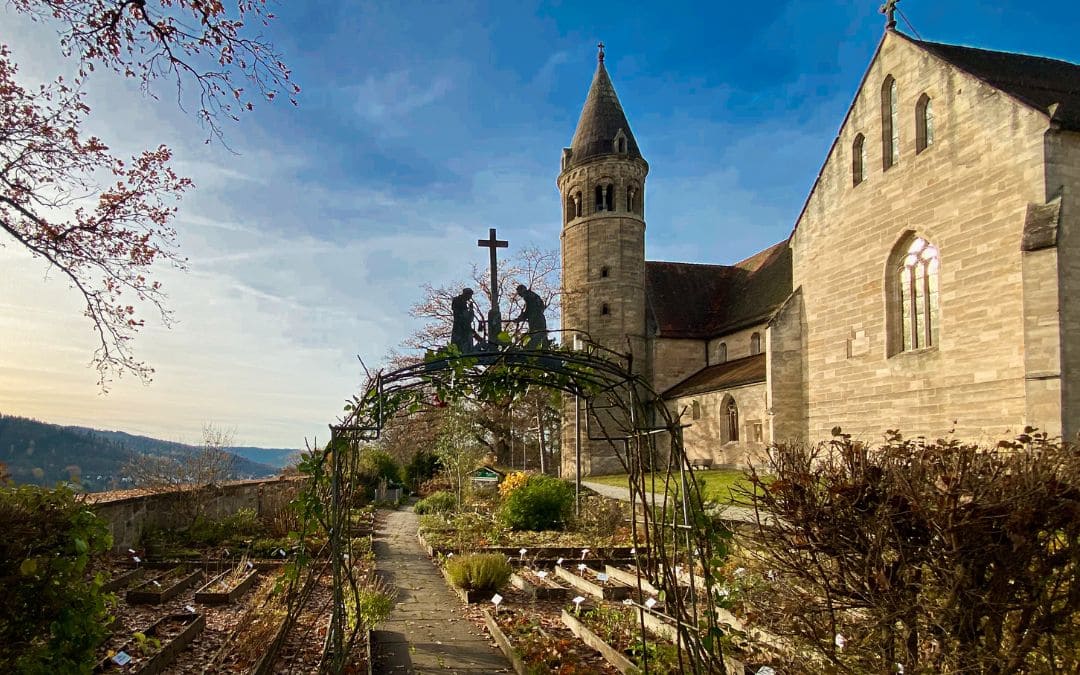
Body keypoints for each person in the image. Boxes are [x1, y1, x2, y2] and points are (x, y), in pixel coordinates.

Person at [513, 284, 549, 349]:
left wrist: (520, 318)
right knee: (542, 336)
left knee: (536, 336)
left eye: (519, 292)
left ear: (522, 290)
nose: (519, 294)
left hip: (536, 320)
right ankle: (545, 350)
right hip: (538, 319)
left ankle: (530, 351)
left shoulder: (529, 296)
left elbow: (528, 310)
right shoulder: (532, 295)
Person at [450, 288, 476, 353]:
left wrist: (470, 309)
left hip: (462, 328)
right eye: (470, 295)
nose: (470, 297)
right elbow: (468, 318)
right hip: (461, 329)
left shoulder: (462, 302)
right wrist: (471, 310)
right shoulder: (458, 301)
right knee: (462, 347)